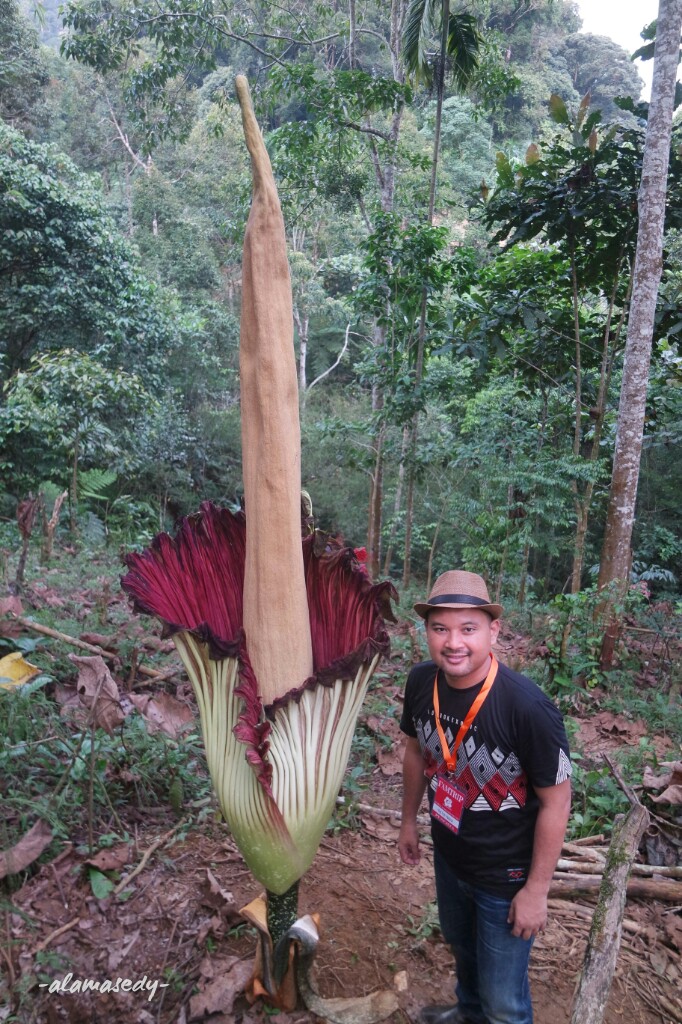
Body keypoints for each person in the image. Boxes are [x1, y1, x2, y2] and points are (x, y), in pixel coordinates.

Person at [398, 571, 572, 1024]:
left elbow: (556, 802)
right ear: (427, 631)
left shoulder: (527, 708)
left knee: (504, 1000)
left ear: (493, 630)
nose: (453, 642)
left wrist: (536, 890)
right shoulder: (421, 684)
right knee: (462, 950)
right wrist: (408, 821)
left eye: (468, 629)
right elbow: (416, 750)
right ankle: (466, 1013)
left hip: (506, 875)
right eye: (440, 628)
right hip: (450, 854)